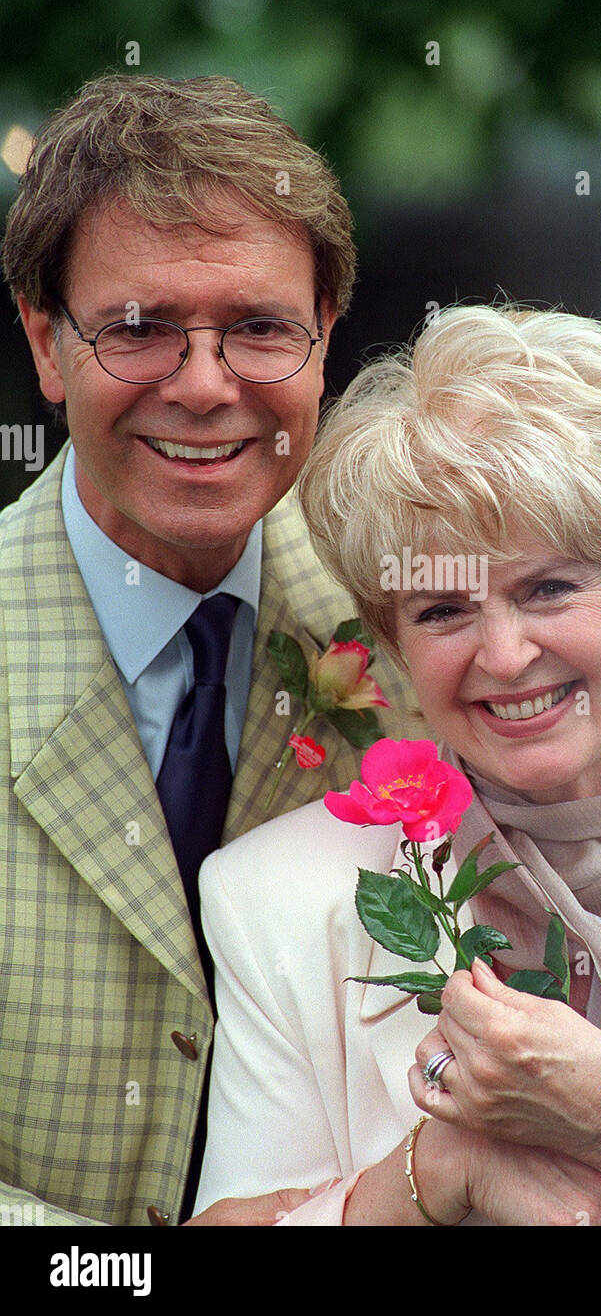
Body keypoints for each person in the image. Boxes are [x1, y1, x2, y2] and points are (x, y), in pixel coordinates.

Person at [195, 305, 601, 1226]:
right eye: (441, 611)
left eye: (549, 587)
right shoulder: (275, 896)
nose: (504, 655)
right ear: (392, 640)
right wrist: (436, 1172)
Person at [0, 73, 426, 1228]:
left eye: (257, 327)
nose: (204, 385)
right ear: (47, 343)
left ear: (325, 337)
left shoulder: (416, 619)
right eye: (139, 328)